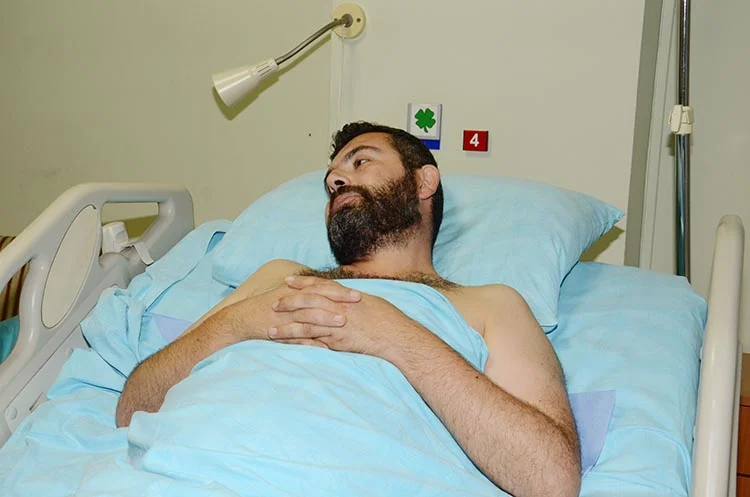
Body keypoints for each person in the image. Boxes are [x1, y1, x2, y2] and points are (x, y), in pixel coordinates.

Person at [115, 122, 581, 497]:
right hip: (173, 472)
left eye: (361, 161)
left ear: (424, 181)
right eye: (332, 180)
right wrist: (237, 324)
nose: (337, 180)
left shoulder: (489, 303)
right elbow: (133, 407)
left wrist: (395, 336)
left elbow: (550, 479)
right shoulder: (279, 276)